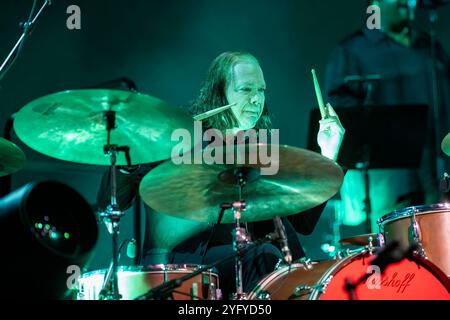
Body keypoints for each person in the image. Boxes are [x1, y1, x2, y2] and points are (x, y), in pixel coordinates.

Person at [97, 51, 345, 299]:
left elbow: (304, 223)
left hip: (247, 260)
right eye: (246, 89)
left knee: (310, 273)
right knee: (265, 258)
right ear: (220, 93)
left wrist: (328, 153)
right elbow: (111, 200)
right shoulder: (182, 139)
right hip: (184, 263)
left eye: (261, 90)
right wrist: (129, 154)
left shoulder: (259, 150)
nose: (257, 99)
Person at [323, 0, 450, 232]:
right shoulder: (353, 50)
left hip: (431, 169)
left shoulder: (429, 46)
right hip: (383, 179)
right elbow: (337, 109)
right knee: (390, 248)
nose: (406, 1)